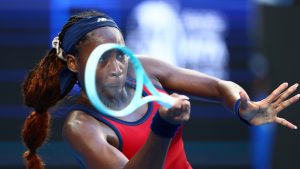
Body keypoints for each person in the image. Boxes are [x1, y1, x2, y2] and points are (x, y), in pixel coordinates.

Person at [21, 10, 299, 169]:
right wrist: (163, 128)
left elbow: (217, 86)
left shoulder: (143, 68)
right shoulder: (80, 126)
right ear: (73, 62)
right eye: (102, 58)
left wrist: (243, 108)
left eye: (119, 53)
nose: (117, 67)